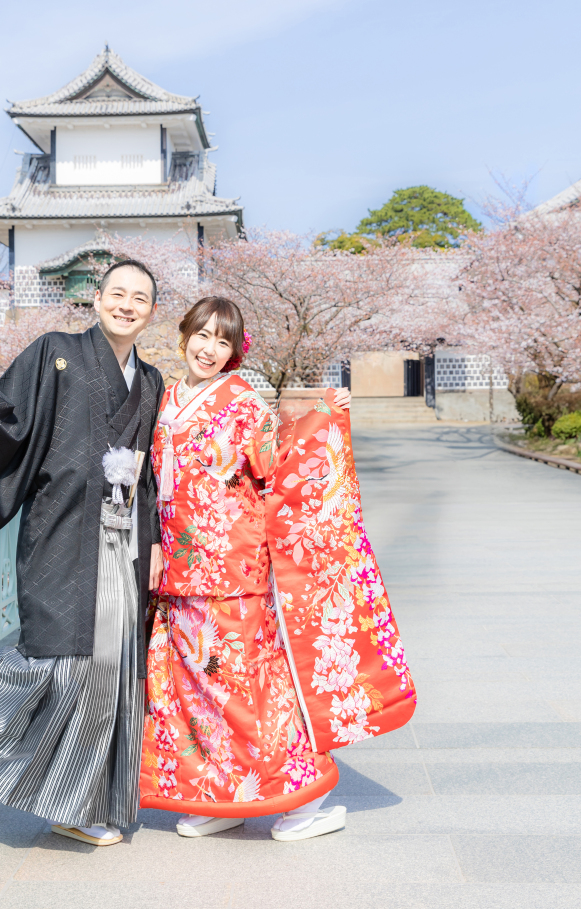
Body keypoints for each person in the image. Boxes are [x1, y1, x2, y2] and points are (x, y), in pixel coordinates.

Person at [139, 297, 415, 841]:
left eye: (223, 341)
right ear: (184, 334)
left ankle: (304, 802)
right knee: (192, 691)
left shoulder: (239, 400)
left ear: (235, 352)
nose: (209, 349)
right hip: (177, 567)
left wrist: (325, 419)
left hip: (233, 567)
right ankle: (225, 795)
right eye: (202, 335)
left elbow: (280, 459)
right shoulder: (167, 396)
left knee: (248, 689)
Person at [0, 259, 166, 847]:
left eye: (141, 299)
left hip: (124, 540)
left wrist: (154, 545)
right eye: (118, 294)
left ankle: (80, 806)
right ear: (98, 299)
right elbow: (7, 417)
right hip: (62, 528)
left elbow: (153, 471)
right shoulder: (56, 351)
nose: (128, 305)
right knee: (57, 656)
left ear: (152, 312)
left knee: (109, 671)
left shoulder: (151, 380)